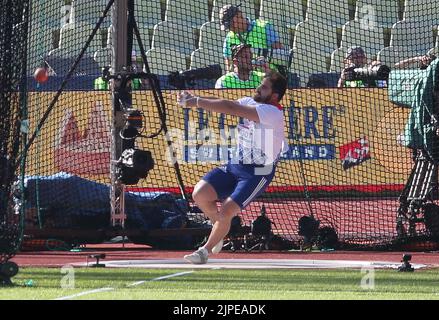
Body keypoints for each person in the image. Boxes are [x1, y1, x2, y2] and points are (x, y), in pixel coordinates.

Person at [177, 71, 287, 264]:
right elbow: (224, 101)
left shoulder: (272, 113)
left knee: (227, 211)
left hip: (258, 171)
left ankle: (205, 250)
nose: (259, 88)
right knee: (199, 194)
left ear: (274, 96)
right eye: (260, 85)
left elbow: (229, 107)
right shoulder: (250, 101)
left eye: (264, 87)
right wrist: (195, 98)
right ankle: (218, 227)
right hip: (236, 164)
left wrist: (194, 102)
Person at [219, 4, 284, 73]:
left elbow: (281, 56)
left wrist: (264, 62)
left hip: (267, 78)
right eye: (228, 27)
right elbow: (229, 68)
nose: (230, 29)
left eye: (231, 24)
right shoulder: (229, 37)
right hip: (243, 81)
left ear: (239, 15)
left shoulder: (264, 27)